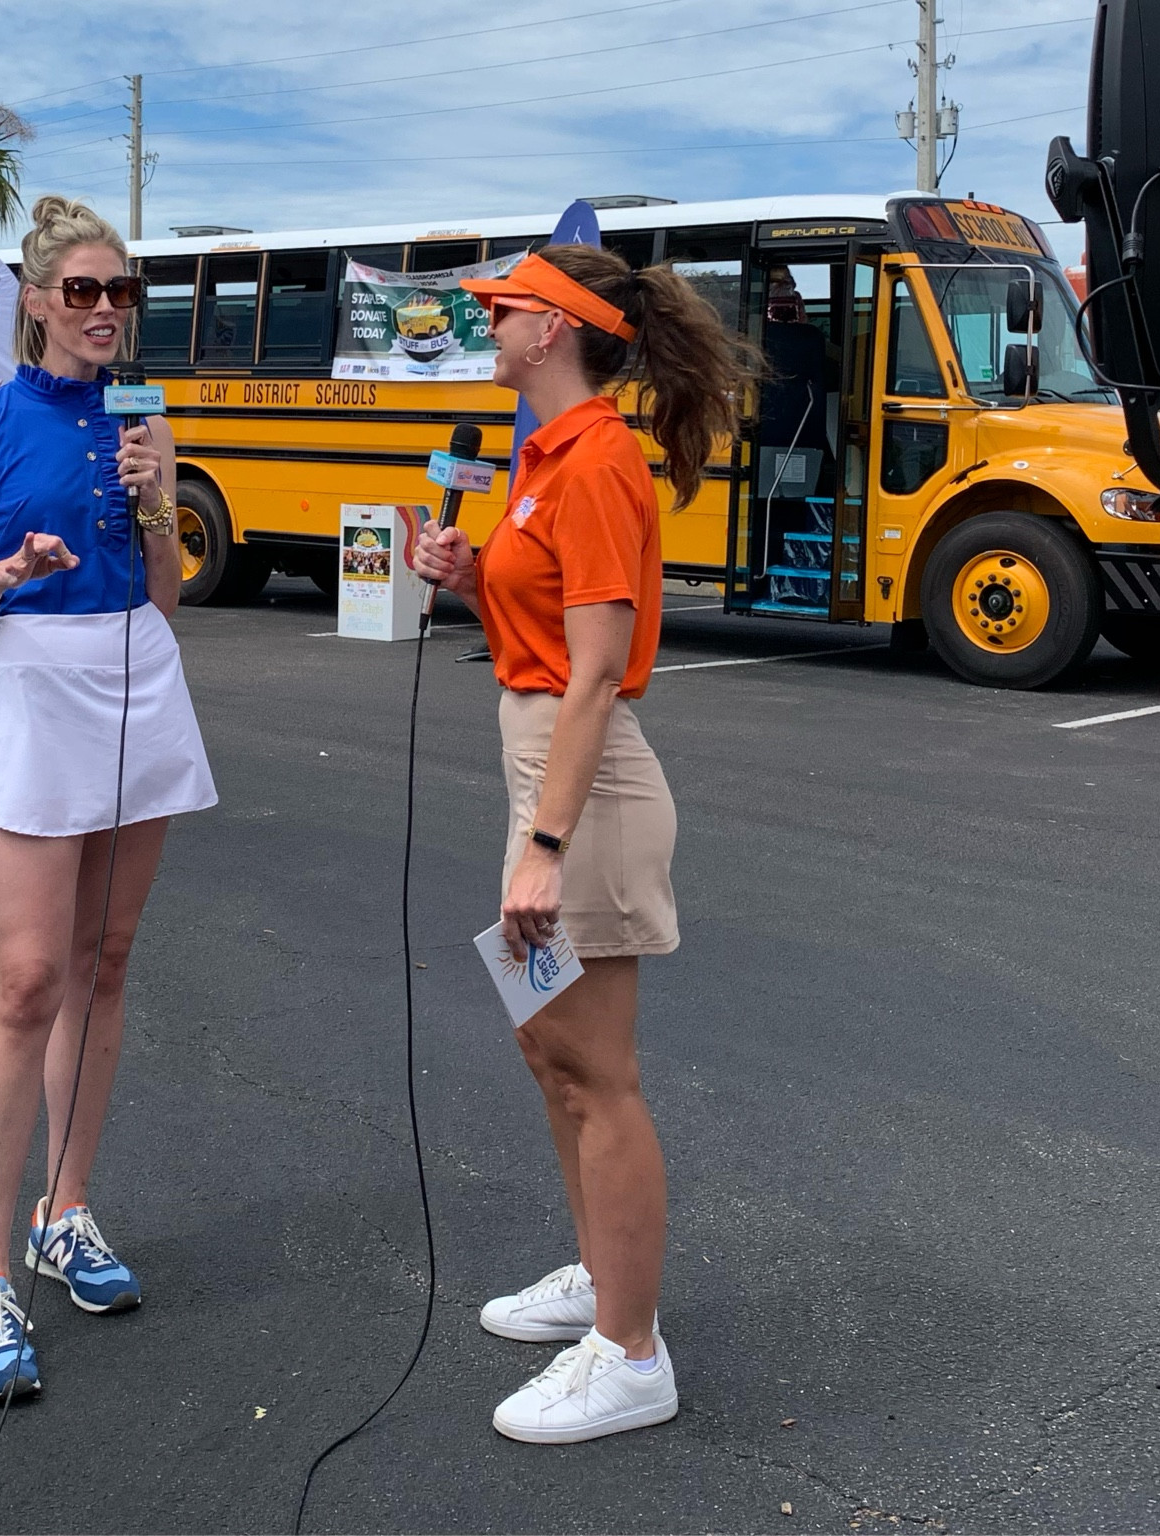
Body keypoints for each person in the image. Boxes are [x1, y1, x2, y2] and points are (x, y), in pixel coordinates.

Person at [412, 246, 752, 1444]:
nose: (487, 323)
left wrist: (545, 843)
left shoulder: (596, 458)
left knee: (594, 1076)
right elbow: (549, 631)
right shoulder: (547, 454)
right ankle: (603, 1282)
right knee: (547, 1052)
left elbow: (597, 673)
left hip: (583, 787)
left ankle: (629, 1352)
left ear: (552, 328)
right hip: (547, 766)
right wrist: (469, 579)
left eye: (501, 308)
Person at [0, 195, 216, 1404]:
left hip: (140, 677)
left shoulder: (148, 421)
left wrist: (153, 497)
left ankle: (66, 1210)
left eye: (118, 292)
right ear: (35, 299)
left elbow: (166, 592)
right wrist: (4, 570)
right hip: (38, 686)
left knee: (106, 961)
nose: (103, 310)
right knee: (27, 980)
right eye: (81, 290)